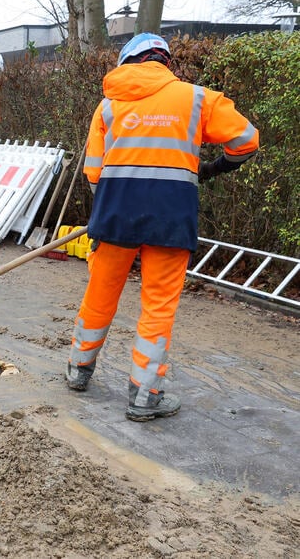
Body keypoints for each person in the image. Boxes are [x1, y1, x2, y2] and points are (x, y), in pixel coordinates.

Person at [65, 33, 259, 422]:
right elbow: (246, 140)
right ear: (164, 62)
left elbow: (92, 174)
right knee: (157, 307)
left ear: (127, 63)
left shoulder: (108, 107)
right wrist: (211, 168)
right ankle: (144, 398)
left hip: (115, 217)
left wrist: (111, 204)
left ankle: (77, 373)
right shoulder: (197, 99)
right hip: (171, 218)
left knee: (99, 295)